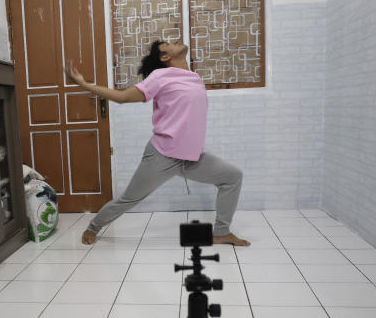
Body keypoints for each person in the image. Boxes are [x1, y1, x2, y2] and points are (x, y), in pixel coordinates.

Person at [66, 40, 250, 246]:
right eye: (168, 44)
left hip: (191, 157)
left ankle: (221, 232)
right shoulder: (160, 76)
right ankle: (93, 227)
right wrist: (84, 84)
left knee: (232, 177)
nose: (175, 41)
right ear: (165, 57)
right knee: (130, 199)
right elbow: (122, 97)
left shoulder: (194, 78)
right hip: (163, 154)